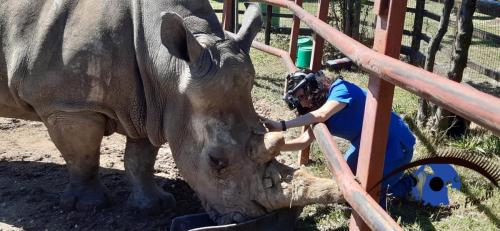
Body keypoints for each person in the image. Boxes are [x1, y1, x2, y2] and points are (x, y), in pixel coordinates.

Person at [263, 69, 416, 206]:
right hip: (366, 143)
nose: (303, 102)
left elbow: (321, 114)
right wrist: (272, 147)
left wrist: (281, 125)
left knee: (371, 199)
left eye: (302, 95)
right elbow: (303, 142)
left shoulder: (340, 89)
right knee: (345, 182)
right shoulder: (320, 111)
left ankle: (412, 182)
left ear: (313, 86)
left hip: (395, 143)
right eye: (298, 100)